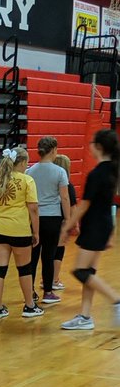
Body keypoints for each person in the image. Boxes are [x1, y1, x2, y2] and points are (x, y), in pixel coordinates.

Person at [60, 129, 120, 331]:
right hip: (103, 225)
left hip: (94, 226)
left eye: (92, 143)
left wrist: (66, 226)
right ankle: (85, 316)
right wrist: (111, 233)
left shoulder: (97, 174)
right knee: (90, 271)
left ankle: (116, 300)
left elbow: (84, 205)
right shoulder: (112, 170)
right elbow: (109, 204)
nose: (90, 146)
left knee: (80, 271)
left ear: (99, 147)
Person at [0, 145, 44, 319]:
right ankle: (29, 306)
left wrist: (1, 215)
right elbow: (33, 208)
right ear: (22, 162)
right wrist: (36, 232)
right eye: (27, 162)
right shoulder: (27, 181)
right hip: (20, 230)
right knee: (24, 269)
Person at [27, 136, 71, 305]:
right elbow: (65, 198)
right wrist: (68, 219)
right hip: (53, 218)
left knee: (33, 256)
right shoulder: (60, 172)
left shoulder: (29, 171)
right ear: (53, 150)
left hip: (34, 219)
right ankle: (48, 292)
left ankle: (29, 290)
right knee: (49, 256)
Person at [51, 153, 77, 290]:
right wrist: (74, 224)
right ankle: (54, 280)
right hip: (61, 221)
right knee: (58, 251)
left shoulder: (50, 184)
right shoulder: (67, 185)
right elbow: (72, 206)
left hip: (48, 219)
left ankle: (46, 279)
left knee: (49, 252)